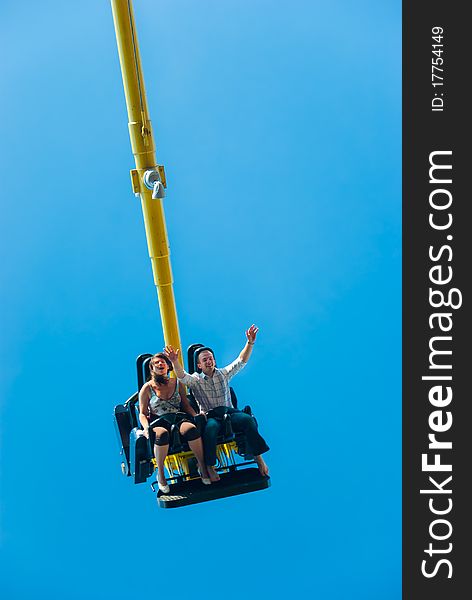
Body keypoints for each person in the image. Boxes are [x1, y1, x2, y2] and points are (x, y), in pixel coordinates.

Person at [164, 325, 269, 482]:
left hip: (229, 413)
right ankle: (210, 466)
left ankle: (258, 457)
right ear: (199, 365)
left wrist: (250, 343)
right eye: (204, 360)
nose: (208, 361)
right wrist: (174, 362)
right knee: (211, 429)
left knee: (247, 420)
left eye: (210, 358)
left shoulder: (223, 374)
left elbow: (241, 361)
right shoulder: (196, 380)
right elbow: (181, 376)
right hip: (211, 416)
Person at [138, 352, 211, 493]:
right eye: (157, 363)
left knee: (191, 430)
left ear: (168, 367)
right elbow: (142, 413)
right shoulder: (147, 388)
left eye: (163, 362)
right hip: (159, 420)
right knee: (162, 435)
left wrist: (196, 415)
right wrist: (146, 428)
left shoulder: (176, 383)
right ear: (152, 368)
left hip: (177, 417)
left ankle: (202, 466)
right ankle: (161, 473)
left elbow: (185, 404)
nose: (160, 364)